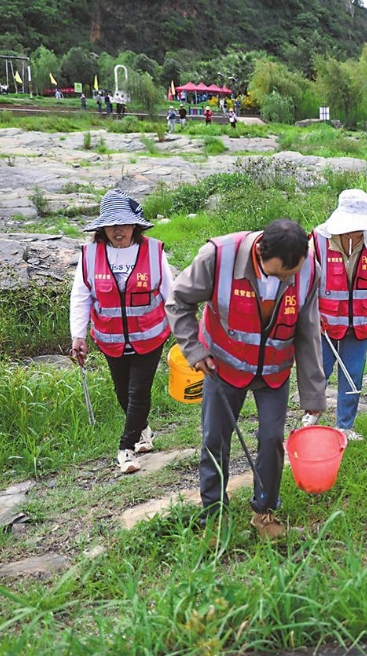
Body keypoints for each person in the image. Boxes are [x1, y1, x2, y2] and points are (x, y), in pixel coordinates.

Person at [165, 219, 327, 541]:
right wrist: (195, 351)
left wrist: (313, 396)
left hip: (274, 372)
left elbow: (308, 332)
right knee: (215, 441)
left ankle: (264, 515)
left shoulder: (308, 270)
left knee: (271, 441)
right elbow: (179, 300)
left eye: (291, 275)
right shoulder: (219, 257)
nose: (286, 280)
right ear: (260, 253)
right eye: (279, 274)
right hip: (222, 367)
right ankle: (214, 518)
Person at [69, 190, 173, 474]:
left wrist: (186, 335)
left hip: (150, 336)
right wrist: (78, 335)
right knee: (122, 392)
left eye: (125, 224)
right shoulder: (90, 255)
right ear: (102, 227)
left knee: (138, 391)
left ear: (135, 226)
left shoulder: (153, 251)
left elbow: (170, 295)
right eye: (113, 225)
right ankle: (143, 431)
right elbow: (81, 296)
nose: (119, 230)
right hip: (109, 338)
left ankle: (125, 449)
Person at [311, 190, 367, 440]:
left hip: (361, 323)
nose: (354, 233)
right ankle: (312, 415)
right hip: (325, 325)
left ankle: (344, 427)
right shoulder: (318, 240)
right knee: (319, 372)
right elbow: (304, 284)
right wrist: (309, 316)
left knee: (352, 375)